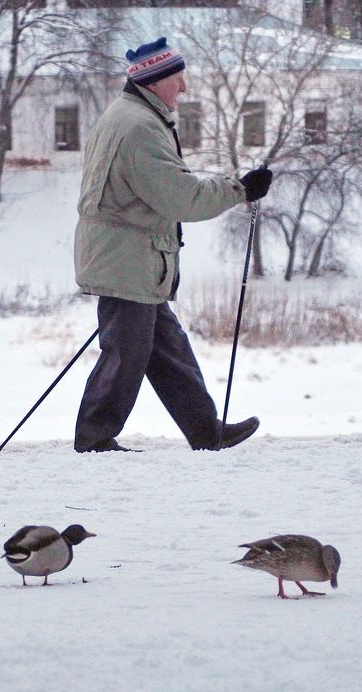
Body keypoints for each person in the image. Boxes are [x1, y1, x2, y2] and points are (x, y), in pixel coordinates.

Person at [73, 37, 273, 453]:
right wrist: (240, 189)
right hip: (126, 258)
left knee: (166, 347)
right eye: (178, 79)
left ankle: (205, 430)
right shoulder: (140, 127)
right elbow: (181, 197)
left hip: (131, 257)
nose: (184, 88)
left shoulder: (130, 116)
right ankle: (94, 439)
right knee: (126, 353)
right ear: (156, 80)